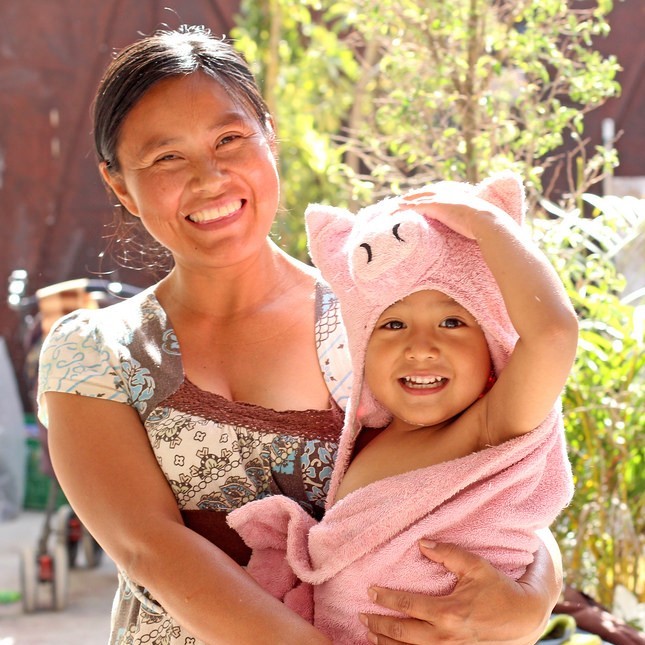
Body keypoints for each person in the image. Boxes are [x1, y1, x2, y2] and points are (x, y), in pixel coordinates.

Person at [37, 24, 565, 644]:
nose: (209, 178)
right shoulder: (93, 353)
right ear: (120, 185)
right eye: (166, 157)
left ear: (270, 142)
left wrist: (533, 597)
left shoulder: (376, 324)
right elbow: (148, 546)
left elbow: (489, 475)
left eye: (230, 139)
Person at [229, 171, 579, 643]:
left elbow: (553, 334)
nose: (421, 347)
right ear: (361, 350)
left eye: (452, 321)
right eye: (392, 325)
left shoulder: (492, 426)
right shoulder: (373, 433)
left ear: (492, 347)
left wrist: (489, 225)